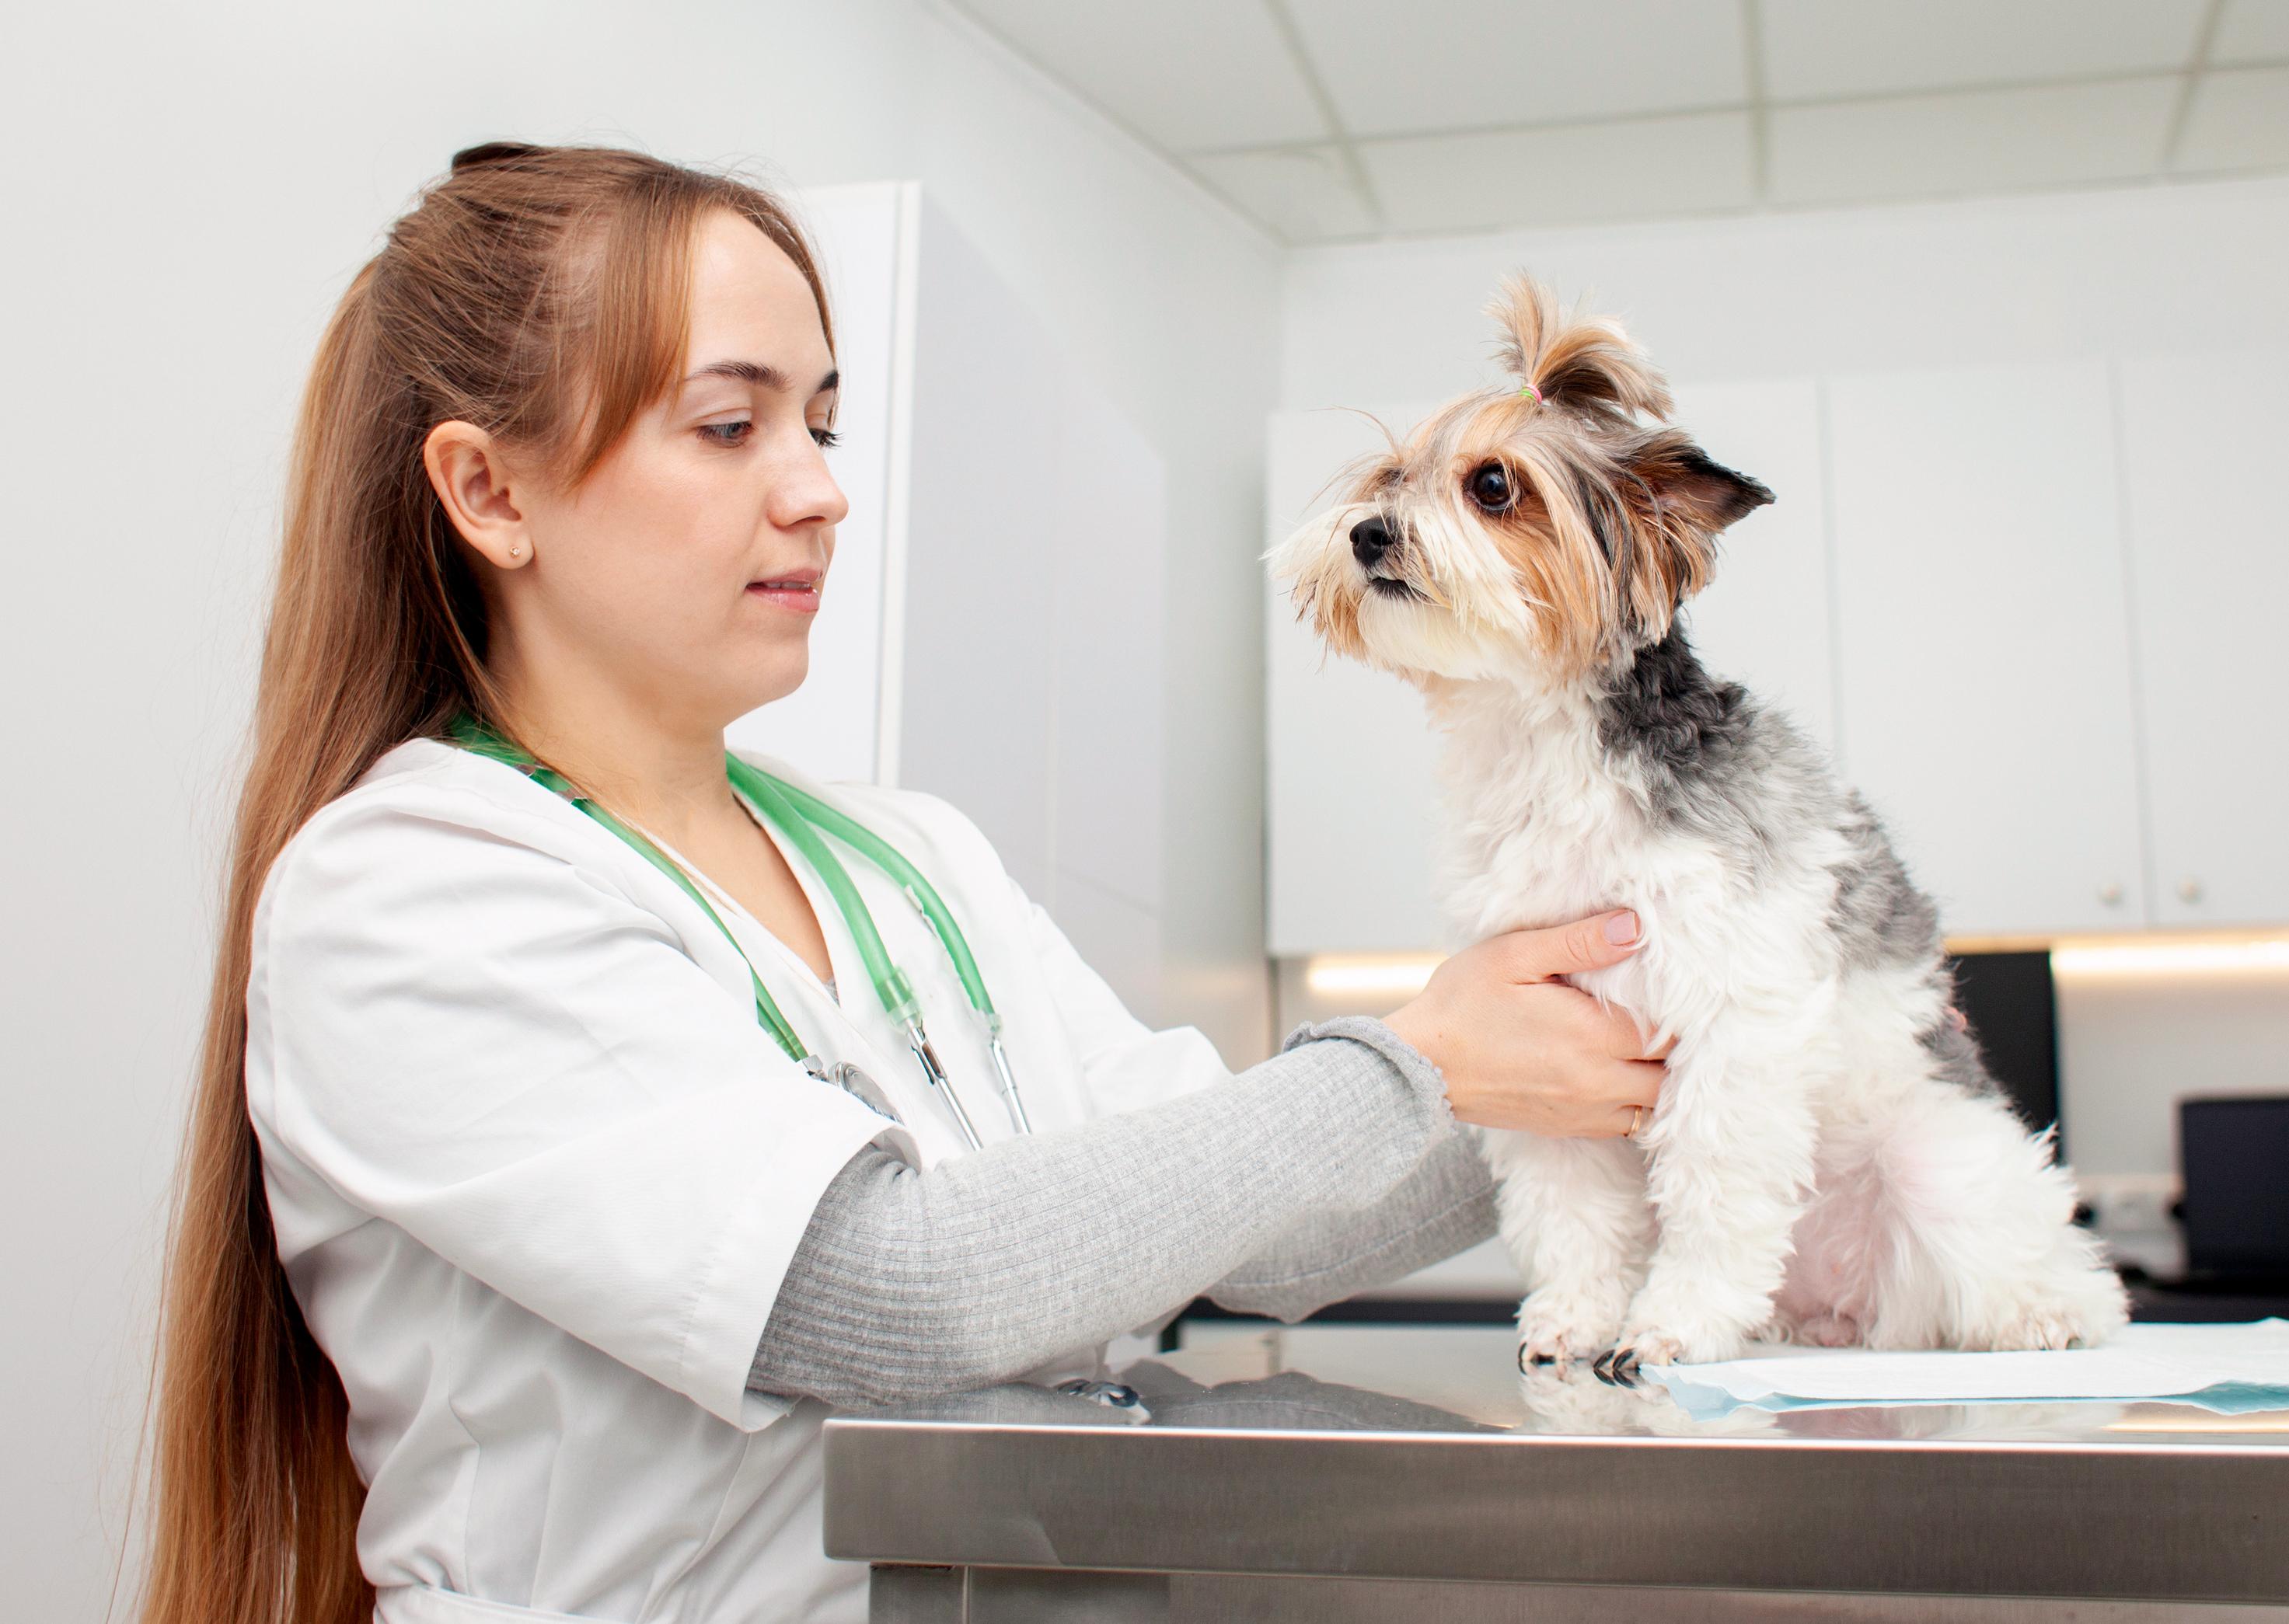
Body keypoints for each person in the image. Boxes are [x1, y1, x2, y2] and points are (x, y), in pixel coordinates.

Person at [141, 143, 1668, 1624]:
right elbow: (892, 1292)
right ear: (489, 492)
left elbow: (1253, 1230)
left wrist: (1640, 1050)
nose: (819, 492)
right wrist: (1417, 1062)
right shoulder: (415, 889)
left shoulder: (902, 854)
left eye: (821, 422)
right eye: (731, 428)